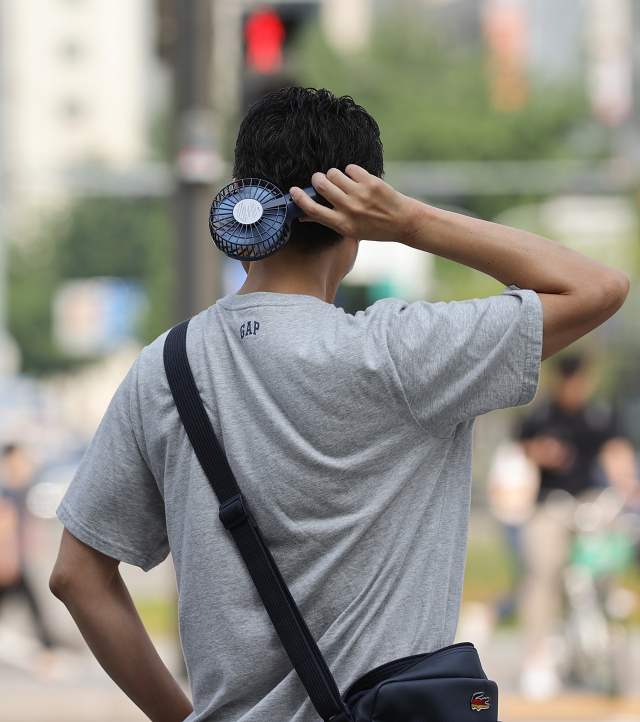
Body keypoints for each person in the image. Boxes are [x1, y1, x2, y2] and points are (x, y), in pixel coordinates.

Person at [49, 87, 629, 722]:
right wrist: (411, 222)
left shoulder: (167, 366)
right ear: (360, 214)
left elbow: (78, 577)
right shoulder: (405, 353)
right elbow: (597, 287)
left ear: (242, 197)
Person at [517, 354, 639, 697]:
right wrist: (540, 453)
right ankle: (537, 654)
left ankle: (611, 594)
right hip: (551, 503)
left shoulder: (597, 415)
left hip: (588, 499)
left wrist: (627, 484)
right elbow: (521, 452)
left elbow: (616, 453)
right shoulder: (542, 415)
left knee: (619, 528)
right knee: (544, 569)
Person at [0, 444, 55, 651]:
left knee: (32, 604)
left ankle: (48, 644)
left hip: (15, 560)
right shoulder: (7, 491)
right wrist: (8, 557)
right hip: (11, 561)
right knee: (34, 605)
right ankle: (48, 646)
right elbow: (4, 525)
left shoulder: (17, 489)